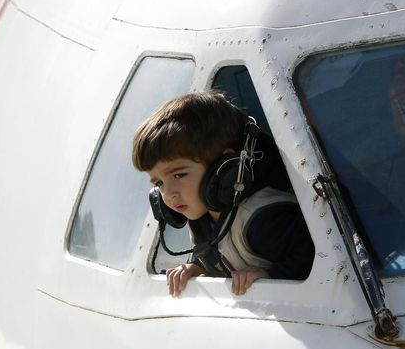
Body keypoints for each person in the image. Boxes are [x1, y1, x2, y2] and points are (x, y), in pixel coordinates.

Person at [132, 90, 315, 297]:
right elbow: (218, 254)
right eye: (159, 183)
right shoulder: (201, 216)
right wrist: (197, 267)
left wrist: (271, 275)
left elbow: (315, 255)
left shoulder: (262, 219)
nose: (168, 194)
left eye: (179, 175)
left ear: (225, 169)